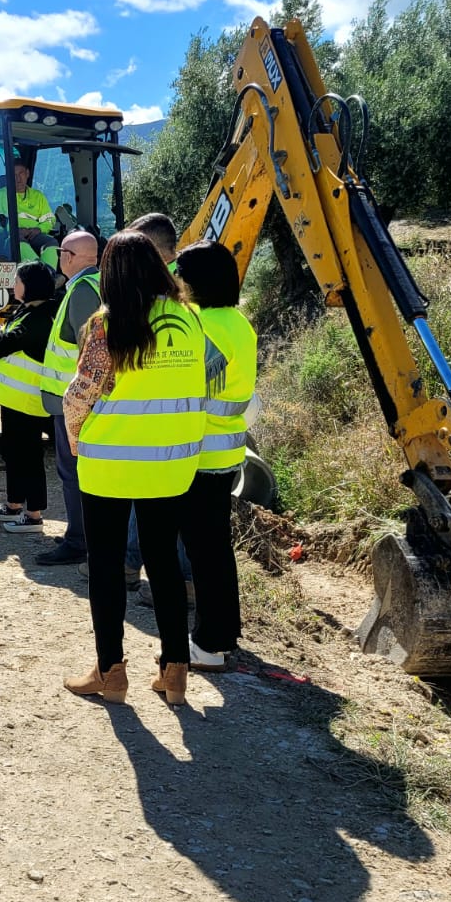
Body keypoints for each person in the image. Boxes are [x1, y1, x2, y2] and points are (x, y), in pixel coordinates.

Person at [62, 231, 206, 706]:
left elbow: (82, 392)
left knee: (105, 565)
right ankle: (174, 671)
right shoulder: (189, 319)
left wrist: (76, 437)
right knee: (162, 561)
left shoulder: (107, 323)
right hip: (172, 461)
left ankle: (110, 672)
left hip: (111, 462)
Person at [177, 240, 257, 672]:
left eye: (180, 275)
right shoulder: (238, 323)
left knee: (203, 553)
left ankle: (209, 643)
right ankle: (223, 631)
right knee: (214, 550)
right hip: (225, 452)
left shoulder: (201, 326)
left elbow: (186, 386)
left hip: (197, 454)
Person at [123, 212, 195, 594]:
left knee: (172, 508)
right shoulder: (160, 294)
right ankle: (133, 561)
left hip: (173, 426)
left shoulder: (179, 297)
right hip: (159, 425)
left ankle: (178, 580)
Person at [35, 230, 99, 566]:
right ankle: (82, 534)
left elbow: (90, 353)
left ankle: (79, 541)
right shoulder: (96, 285)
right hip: (85, 402)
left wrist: (79, 400)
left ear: (70, 257)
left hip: (75, 403)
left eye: (61, 252)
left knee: (72, 472)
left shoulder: (82, 292)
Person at [0, 262, 58, 532]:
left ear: (31, 285)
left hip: (29, 401)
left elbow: (0, 344)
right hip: (14, 399)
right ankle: (14, 504)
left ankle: (34, 515)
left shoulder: (42, 317)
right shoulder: (26, 311)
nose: (13, 286)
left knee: (29, 457)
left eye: (17, 281)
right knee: (13, 453)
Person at [0, 156, 54, 234]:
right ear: (9, 177)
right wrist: (9, 230)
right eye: (14, 175)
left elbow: (49, 219)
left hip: (36, 235)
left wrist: (39, 229)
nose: (18, 179)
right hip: (12, 239)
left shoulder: (38, 196)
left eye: (21, 174)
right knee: (23, 246)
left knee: (52, 245)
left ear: (27, 173)